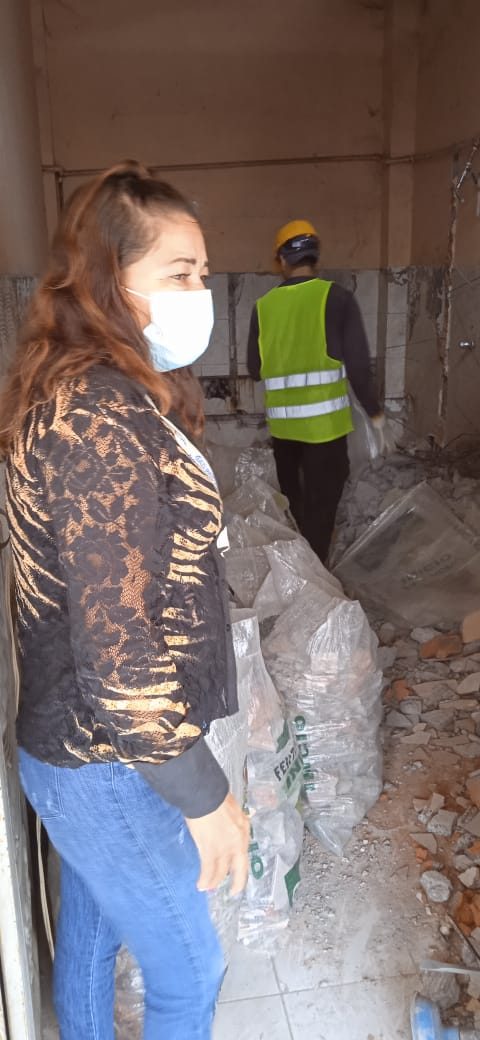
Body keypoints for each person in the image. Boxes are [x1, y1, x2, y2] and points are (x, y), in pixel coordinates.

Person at [0, 160, 250, 1040]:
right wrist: (203, 794)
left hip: (85, 750)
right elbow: (119, 653)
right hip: (108, 756)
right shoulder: (95, 419)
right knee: (190, 969)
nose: (199, 294)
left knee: (93, 932)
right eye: (178, 275)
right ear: (109, 280)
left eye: (203, 274)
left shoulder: (95, 394)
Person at [247, 219, 384, 564]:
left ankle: (300, 571)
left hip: (284, 432)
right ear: (315, 256)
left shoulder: (263, 308)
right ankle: (318, 572)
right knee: (322, 510)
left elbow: (254, 369)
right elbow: (359, 367)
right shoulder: (338, 299)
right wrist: (375, 412)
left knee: (295, 504)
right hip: (326, 431)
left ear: (281, 260)